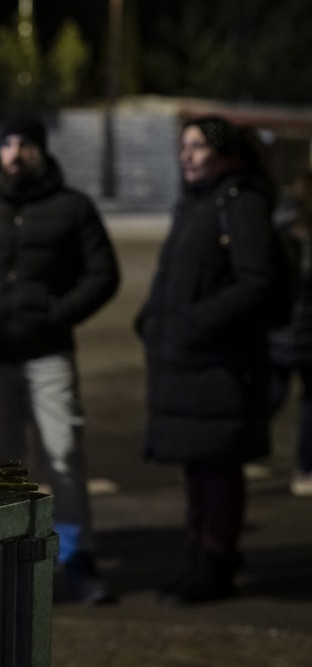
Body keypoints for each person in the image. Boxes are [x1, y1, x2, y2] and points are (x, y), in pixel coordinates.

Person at [0, 114, 120, 605]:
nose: (15, 151)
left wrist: (58, 313)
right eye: (7, 142)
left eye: (25, 143)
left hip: (48, 352)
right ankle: (4, 557)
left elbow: (102, 273)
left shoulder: (72, 207)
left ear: (42, 151)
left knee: (63, 452)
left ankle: (77, 555)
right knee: (1, 463)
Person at [137, 116, 280, 604]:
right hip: (188, 361)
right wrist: (152, 321)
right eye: (184, 147)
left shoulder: (240, 203)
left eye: (198, 147)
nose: (187, 155)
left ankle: (215, 562)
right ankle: (198, 556)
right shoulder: (198, 203)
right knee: (198, 466)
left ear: (226, 153)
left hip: (218, 362)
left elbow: (255, 282)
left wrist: (195, 322)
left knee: (218, 467)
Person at [268, 168, 312, 497]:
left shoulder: (281, 227)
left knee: (269, 397)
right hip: (301, 331)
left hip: (281, 329)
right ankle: (306, 470)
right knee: (308, 403)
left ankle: (233, 451)